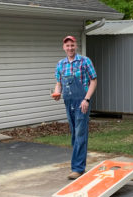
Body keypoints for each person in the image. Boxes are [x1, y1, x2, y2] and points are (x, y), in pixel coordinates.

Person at [52, 36, 97, 180]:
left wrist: (86, 99)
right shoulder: (61, 64)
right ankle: (79, 163)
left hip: (81, 102)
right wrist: (57, 92)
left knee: (80, 133)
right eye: (67, 46)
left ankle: (77, 168)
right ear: (63, 47)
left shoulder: (85, 61)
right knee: (74, 134)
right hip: (68, 101)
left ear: (76, 46)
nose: (70, 48)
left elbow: (93, 80)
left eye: (72, 45)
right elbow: (59, 82)